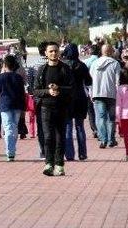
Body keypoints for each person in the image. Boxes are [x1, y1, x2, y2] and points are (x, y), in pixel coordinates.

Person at [33, 42, 73, 176]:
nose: (53, 53)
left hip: (61, 108)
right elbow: (36, 91)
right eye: (50, 51)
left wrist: (59, 90)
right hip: (45, 108)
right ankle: (49, 163)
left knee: (60, 137)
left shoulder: (65, 69)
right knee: (48, 137)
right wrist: (48, 92)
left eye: (56, 51)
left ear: (59, 52)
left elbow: (72, 89)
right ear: (46, 53)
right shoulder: (41, 70)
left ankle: (59, 164)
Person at [0, 55, 25, 161]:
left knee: (8, 127)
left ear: (4, 65)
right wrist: (24, 107)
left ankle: (10, 152)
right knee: (14, 127)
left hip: (5, 106)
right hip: (17, 106)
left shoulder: (0, 77)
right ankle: (12, 150)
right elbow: (22, 93)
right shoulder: (18, 78)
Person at [61, 43, 92, 161]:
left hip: (67, 98)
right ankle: (82, 153)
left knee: (68, 126)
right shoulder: (82, 65)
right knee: (80, 127)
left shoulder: (63, 66)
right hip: (80, 97)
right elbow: (89, 81)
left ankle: (69, 154)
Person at [90, 44, 121, 148]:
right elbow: (118, 81)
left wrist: (91, 93)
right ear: (111, 52)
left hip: (97, 93)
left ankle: (103, 140)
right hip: (111, 94)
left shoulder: (94, 64)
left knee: (100, 117)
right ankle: (111, 139)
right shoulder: (115, 63)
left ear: (102, 52)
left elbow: (90, 80)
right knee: (111, 118)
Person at [26, 42, 49, 158]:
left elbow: (30, 86)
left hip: (38, 100)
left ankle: (43, 151)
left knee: (41, 125)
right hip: (53, 99)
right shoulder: (55, 64)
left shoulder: (33, 66)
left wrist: (33, 95)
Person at [84, 44, 101, 138]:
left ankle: (94, 129)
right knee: (100, 111)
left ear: (90, 51)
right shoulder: (100, 61)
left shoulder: (86, 62)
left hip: (89, 89)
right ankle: (100, 129)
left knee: (90, 111)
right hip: (100, 88)